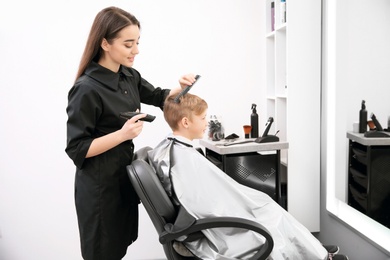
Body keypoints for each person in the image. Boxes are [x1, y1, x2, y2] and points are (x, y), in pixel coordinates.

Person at [147, 93, 349, 260]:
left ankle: (314, 251)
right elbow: (201, 205)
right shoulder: (183, 157)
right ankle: (318, 255)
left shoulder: (173, 150)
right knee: (271, 216)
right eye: (202, 118)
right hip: (214, 225)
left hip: (211, 215)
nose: (207, 123)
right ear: (185, 122)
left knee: (267, 206)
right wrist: (241, 208)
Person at [65, 6, 197, 260]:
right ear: (105, 43)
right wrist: (122, 135)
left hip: (122, 182)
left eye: (137, 42)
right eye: (128, 44)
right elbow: (77, 149)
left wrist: (180, 89)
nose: (136, 50)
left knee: (119, 249)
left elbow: (159, 96)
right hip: (99, 191)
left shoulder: (129, 76)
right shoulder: (86, 89)